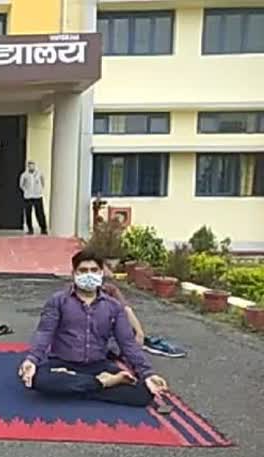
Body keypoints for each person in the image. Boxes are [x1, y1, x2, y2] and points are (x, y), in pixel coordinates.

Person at [18, 250, 169, 407]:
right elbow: (45, 333)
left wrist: (148, 374)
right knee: (39, 380)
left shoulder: (113, 306)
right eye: (83, 271)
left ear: (101, 273)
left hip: (97, 365)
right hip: (62, 364)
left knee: (143, 394)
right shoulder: (58, 301)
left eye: (94, 270)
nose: (89, 275)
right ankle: (102, 384)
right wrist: (32, 360)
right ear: (74, 274)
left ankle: (77, 387)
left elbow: (127, 343)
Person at [102, 267, 186, 358]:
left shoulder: (110, 289)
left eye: (94, 270)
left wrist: (139, 332)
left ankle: (143, 342)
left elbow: (126, 309)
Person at [19, 160, 47, 235]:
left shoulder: (39, 173)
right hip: (28, 197)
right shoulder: (24, 175)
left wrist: (40, 190)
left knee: (40, 213)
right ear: (27, 166)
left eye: (32, 165)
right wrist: (26, 190)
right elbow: (21, 185)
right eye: (29, 165)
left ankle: (43, 228)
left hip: (37, 196)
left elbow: (43, 182)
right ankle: (30, 229)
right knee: (28, 213)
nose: (31, 166)